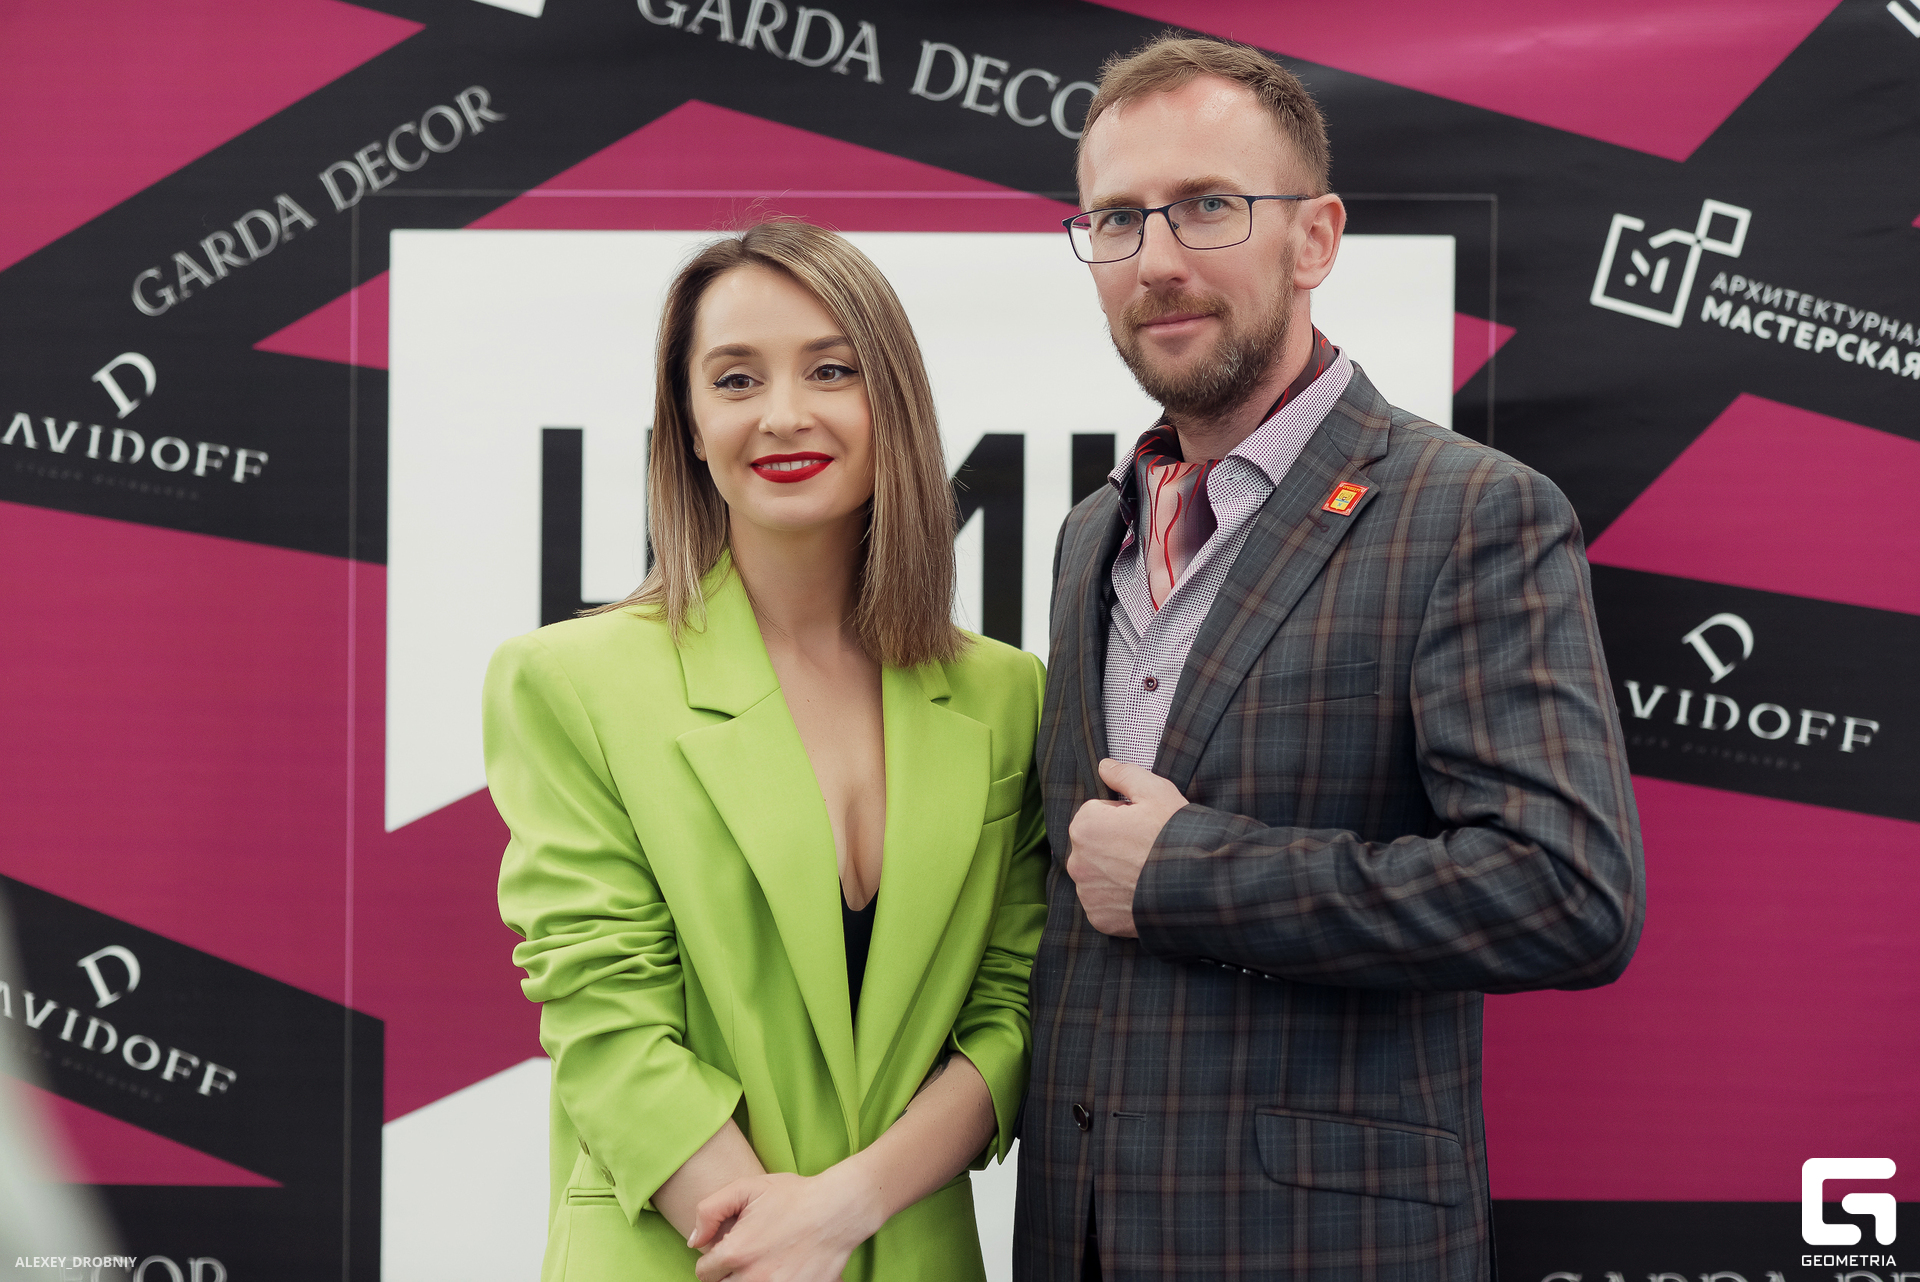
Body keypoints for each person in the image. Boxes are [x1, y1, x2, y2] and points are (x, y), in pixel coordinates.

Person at [1014, 36, 1644, 1281]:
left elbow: (1567, 891)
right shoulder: (1093, 532)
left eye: (1208, 205)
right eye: (1118, 219)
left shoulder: (1471, 511)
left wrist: (1188, 873)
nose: (1157, 260)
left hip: (1324, 1246)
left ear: (1315, 239)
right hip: (1075, 1237)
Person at [487, 220, 1048, 1281]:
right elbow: (606, 1018)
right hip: (681, 1253)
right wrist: (771, 1247)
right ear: (691, 427)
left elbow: (1013, 1011)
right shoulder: (570, 681)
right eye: (735, 379)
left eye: (831, 370)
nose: (783, 414)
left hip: (914, 1249)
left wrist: (845, 1209)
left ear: (893, 403)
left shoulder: (1008, 694)